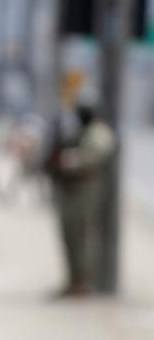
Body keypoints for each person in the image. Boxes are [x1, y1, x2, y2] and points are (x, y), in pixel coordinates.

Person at [50, 103, 116, 296]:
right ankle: (75, 281)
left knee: (84, 238)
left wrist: (69, 161)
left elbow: (92, 158)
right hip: (75, 192)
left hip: (87, 192)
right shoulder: (86, 131)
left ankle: (84, 283)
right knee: (73, 237)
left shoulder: (99, 132)